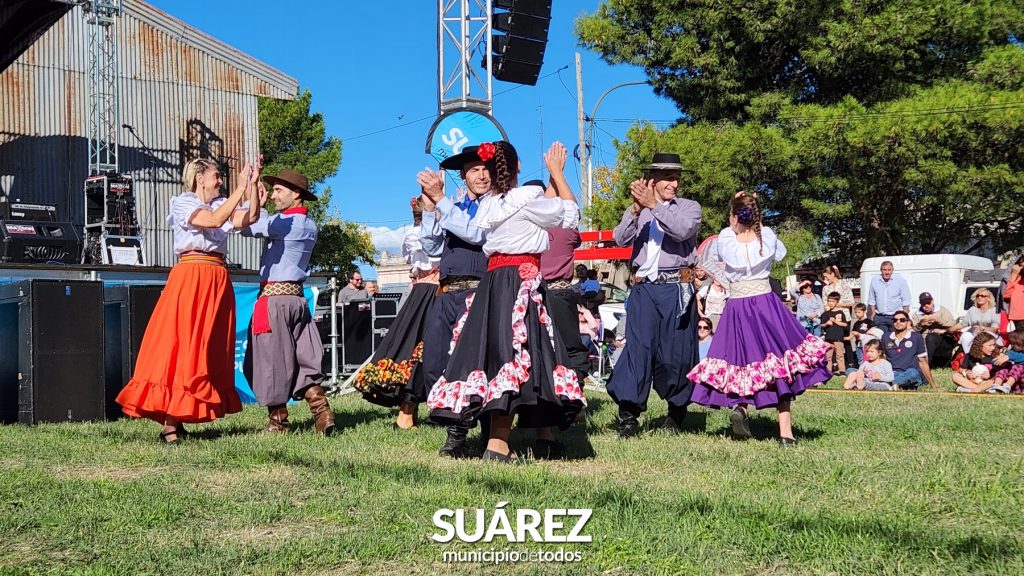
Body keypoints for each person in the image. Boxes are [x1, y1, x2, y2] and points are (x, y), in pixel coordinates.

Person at [426, 140, 585, 462]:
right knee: (522, 351)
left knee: (519, 350)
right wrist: (557, 172)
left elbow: (539, 211)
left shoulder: (492, 205)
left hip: (495, 281)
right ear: (517, 168)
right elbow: (570, 215)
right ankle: (497, 444)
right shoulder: (524, 199)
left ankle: (545, 435)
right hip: (520, 280)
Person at [116, 158, 262, 442]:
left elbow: (251, 217)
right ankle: (171, 422)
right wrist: (240, 189)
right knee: (185, 344)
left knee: (207, 346)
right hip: (192, 275)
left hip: (216, 276)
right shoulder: (183, 202)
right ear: (200, 178)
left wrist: (253, 185)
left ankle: (178, 418)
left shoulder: (221, 202)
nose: (220, 181)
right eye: (216, 176)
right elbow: (213, 220)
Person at [689, 191, 831, 445]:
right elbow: (780, 253)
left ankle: (741, 408)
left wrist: (735, 220)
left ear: (733, 216)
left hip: (737, 306)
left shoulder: (725, 238)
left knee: (741, 359)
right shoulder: (766, 236)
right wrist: (758, 219)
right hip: (766, 303)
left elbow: (721, 256)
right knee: (779, 361)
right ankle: (786, 433)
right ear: (756, 216)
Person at [606, 153, 702, 438]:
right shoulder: (641, 210)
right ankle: (629, 414)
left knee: (676, 353)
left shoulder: (689, 207)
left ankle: (676, 411)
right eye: (668, 178)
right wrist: (635, 211)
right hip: (644, 288)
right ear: (653, 180)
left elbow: (683, 230)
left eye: (677, 178)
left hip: (676, 288)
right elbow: (619, 238)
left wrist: (655, 205)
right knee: (637, 349)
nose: (674, 183)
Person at [241, 168, 334, 435]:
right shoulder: (309, 224)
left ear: (297, 194)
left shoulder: (285, 223)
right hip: (297, 299)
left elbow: (247, 226)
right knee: (305, 357)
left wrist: (252, 197)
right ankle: (321, 410)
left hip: (274, 300)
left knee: (269, 360)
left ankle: (278, 422)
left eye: (278, 190)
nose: (273, 195)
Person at [418, 143, 493, 458]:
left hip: (478, 293)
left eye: (486, 168)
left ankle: (460, 436)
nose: (482, 175)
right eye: (474, 169)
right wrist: (429, 208)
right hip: (446, 292)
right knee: (434, 360)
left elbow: (476, 234)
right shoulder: (456, 204)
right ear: (463, 176)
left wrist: (441, 200)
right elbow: (432, 246)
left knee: (472, 364)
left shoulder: (497, 205)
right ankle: (456, 420)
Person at [353, 197, 440, 429]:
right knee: (421, 349)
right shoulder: (422, 234)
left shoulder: (412, 234)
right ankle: (408, 411)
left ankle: (413, 411)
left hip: (423, 292)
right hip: (432, 292)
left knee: (413, 347)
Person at [884, 310, 937, 390]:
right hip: (892, 373)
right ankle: (894, 384)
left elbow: (922, 362)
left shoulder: (916, 337)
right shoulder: (886, 337)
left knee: (913, 373)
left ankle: (887, 385)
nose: (898, 322)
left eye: (902, 320)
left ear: (908, 322)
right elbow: (882, 358)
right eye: (895, 320)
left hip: (910, 373)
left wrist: (933, 385)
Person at [911, 291, 961, 368]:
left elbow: (953, 325)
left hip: (943, 339)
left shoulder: (942, 311)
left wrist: (940, 321)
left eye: (928, 303)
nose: (926, 306)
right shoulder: (917, 315)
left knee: (931, 337)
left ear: (932, 301)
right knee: (926, 338)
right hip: (923, 340)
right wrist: (920, 325)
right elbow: (913, 331)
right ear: (920, 304)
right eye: (923, 304)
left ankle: (928, 365)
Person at [868, 260, 911, 341]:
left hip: (894, 317)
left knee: (897, 339)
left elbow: (906, 300)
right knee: (882, 340)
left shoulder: (900, 280)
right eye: (884, 270)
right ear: (881, 270)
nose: (887, 272)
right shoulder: (875, 280)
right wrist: (873, 313)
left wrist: (904, 317)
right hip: (880, 317)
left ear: (892, 270)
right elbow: (871, 298)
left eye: (889, 270)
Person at [959, 288, 1001, 352]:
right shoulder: (972, 310)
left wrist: (983, 329)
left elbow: (994, 329)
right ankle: (968, 356)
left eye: (983, 296)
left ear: (989, 298)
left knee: (984, 337)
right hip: (975, 334)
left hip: (989, 334)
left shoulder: (994, 310)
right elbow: (962, 324)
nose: (980, 297)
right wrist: (948, 329)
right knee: (965, 336)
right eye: (978, 296)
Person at [820, 291, 849, 374]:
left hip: (838, 337)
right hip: (828, 337)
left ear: (837, 302)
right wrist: (826, 323)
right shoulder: (825, 314)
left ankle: (842, 370)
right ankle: (828, 371)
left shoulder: (840, 313)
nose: (831, 303)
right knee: (828, 356)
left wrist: (835, 321)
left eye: (833, 301)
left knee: (839, 354)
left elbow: (845, 324)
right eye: (829, 301)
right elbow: (822, 325)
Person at [992, 329, 1024, 393]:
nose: (1013, 346)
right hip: (1015, 384)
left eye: (1017, 344)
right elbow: (1010, 355)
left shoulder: (1013, 354)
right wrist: (999, 359)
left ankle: (1007, 386)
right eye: (1012, 343)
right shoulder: (1012, 351)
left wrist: (1008, 357)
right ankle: (996, 385)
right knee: (1005, 366)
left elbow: (1020, 356)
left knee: (1018, 366)